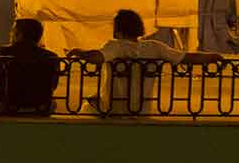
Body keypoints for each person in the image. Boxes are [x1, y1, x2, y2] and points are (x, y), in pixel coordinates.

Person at [76, 8, 222, 114]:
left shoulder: (115, 46)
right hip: (142, 108)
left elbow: (96, 58)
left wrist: (78, 52)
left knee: (87, 106)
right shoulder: (155, 47)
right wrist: (212, 56)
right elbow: (186, 57)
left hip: (114, 108)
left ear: (117, 30)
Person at [0, 18, 60, 115]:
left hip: (6, 106)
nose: (10, 34)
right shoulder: (51, 56)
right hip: (41, 107)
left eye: (13, 32)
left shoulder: (0, 53)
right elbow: (53, 85)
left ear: (20, 34)